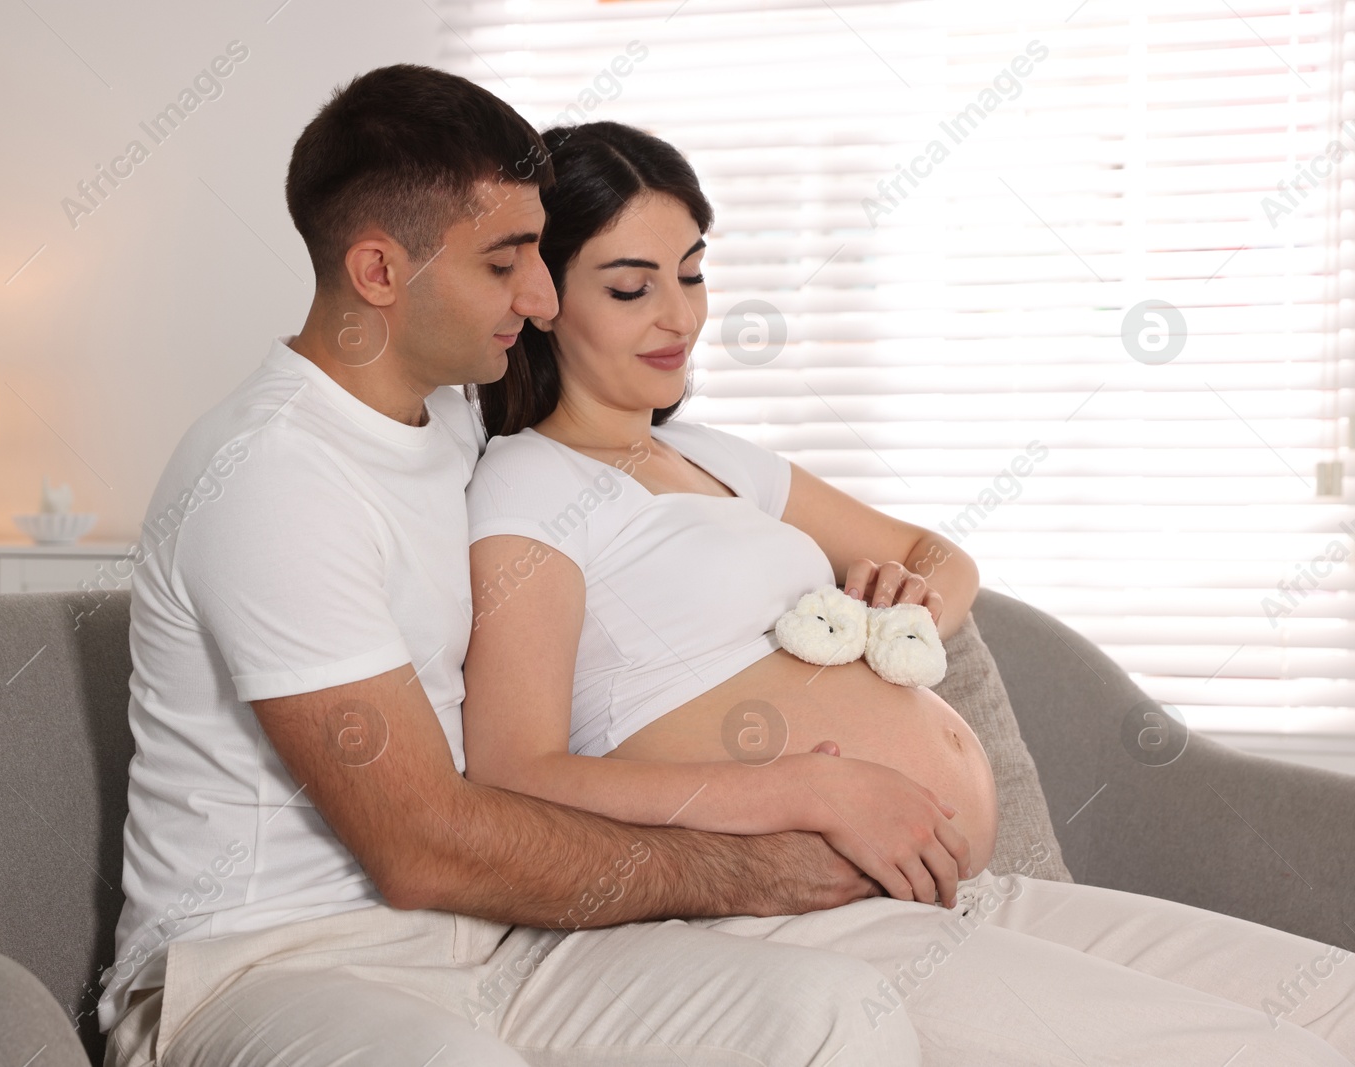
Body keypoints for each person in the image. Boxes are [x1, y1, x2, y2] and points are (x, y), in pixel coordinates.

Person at [460, 119, 1355, 1066]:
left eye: (692, 272)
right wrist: (813, 786)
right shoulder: (531, 483)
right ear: (544, 295)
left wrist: (917, 602)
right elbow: (514, 771)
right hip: (797, 912)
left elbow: (937, 553)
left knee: (1335, 1006)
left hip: (955, 892)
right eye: (632, 287)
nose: (679, 317)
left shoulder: (716, 460)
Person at [96, 65, 927, 1067]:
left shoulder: (448, 414)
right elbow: (418, 844)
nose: (538, 297)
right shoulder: (272, 475)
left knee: (835, 1010)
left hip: (482, 940)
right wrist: (745, 868)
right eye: (505, 264)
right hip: (268, 961)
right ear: (376, 273)